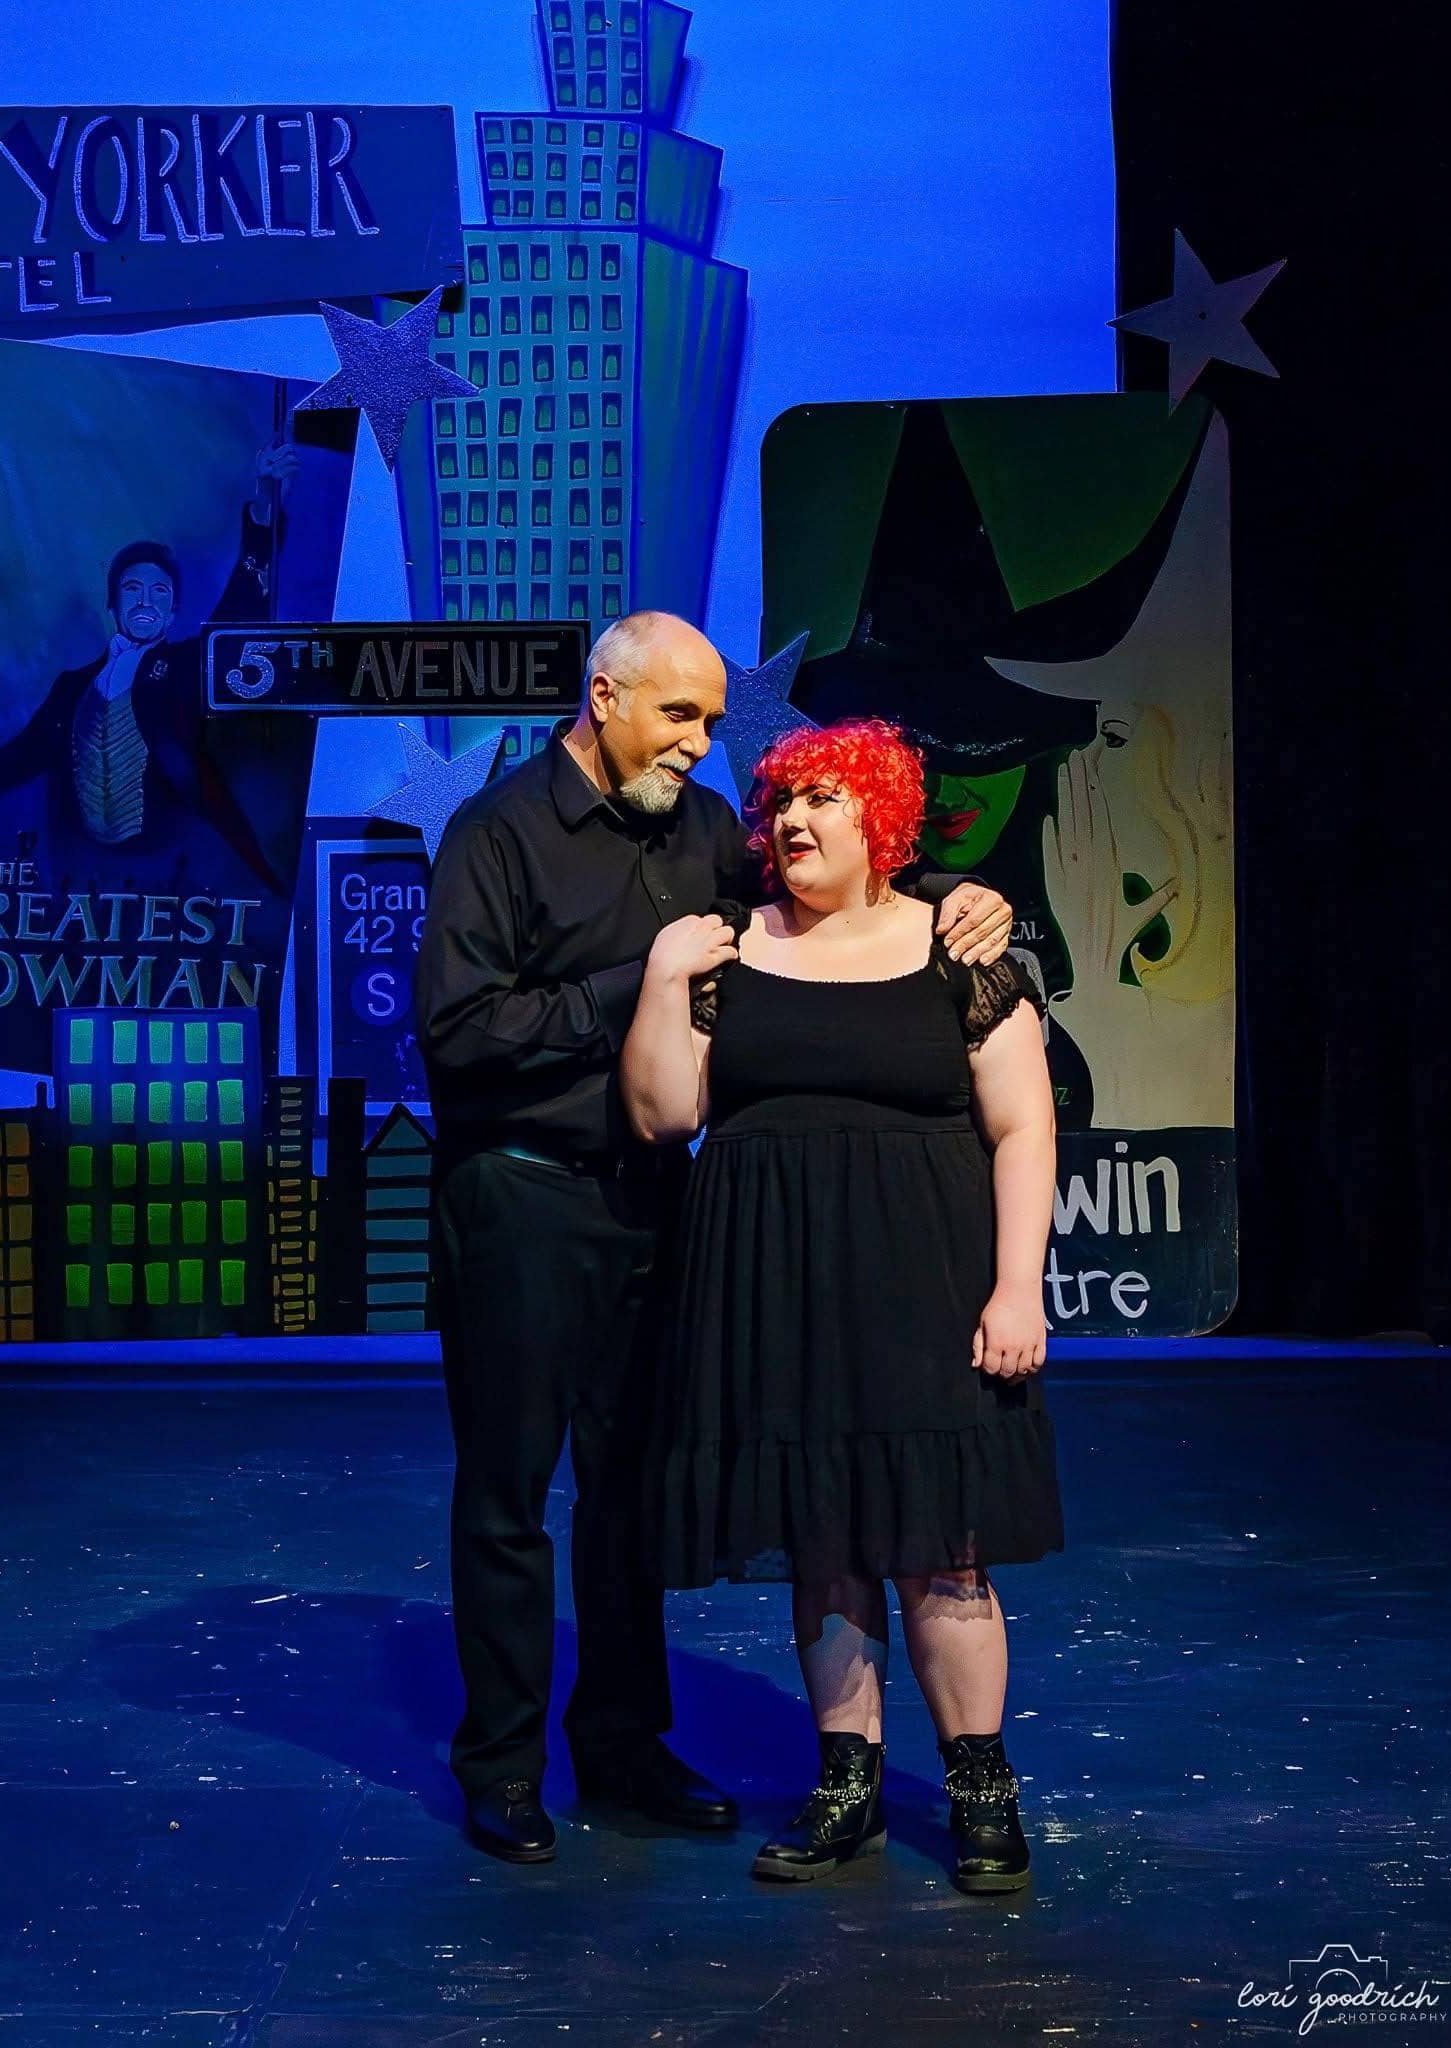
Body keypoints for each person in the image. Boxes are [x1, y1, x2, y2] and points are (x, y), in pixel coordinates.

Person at [413, 613, 1016, 1866]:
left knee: (633, 1489)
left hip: (654, 1197)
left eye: (707, 720)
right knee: (510, 1493)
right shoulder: (499, 832)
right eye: (679, 716)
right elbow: (462, 1028)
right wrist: (636, 979)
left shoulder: (698, 836)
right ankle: (505, 1765)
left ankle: (625, 1748)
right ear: (604, 697)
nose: (702, 743)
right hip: (520, 1196)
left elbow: (831, 909)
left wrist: (971, 901)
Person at [619, 714, 1063, 1894]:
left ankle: (977, 1784)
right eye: (780, 803)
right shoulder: (731, 949)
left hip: (924, 1281)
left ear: (881, 816)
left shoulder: (957, 946)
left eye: (824, 797)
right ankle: (845, 1783)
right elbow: (666, 1114)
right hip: (772, 1284)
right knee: (823, 1543)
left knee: (942, 1550)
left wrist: (1017, 1285)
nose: (794, 821)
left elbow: (1022, 1126)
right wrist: (667, 978)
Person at [0, 440, 299, 896]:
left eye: (160, 592)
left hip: (176, 875)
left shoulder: (186, 667)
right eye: (132, 589)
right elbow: (16, 759)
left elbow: (242, 606)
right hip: (84, 880)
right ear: (113, 603)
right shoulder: (72, 689)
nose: (146, 600)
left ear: (172, 612)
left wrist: (265, 507)